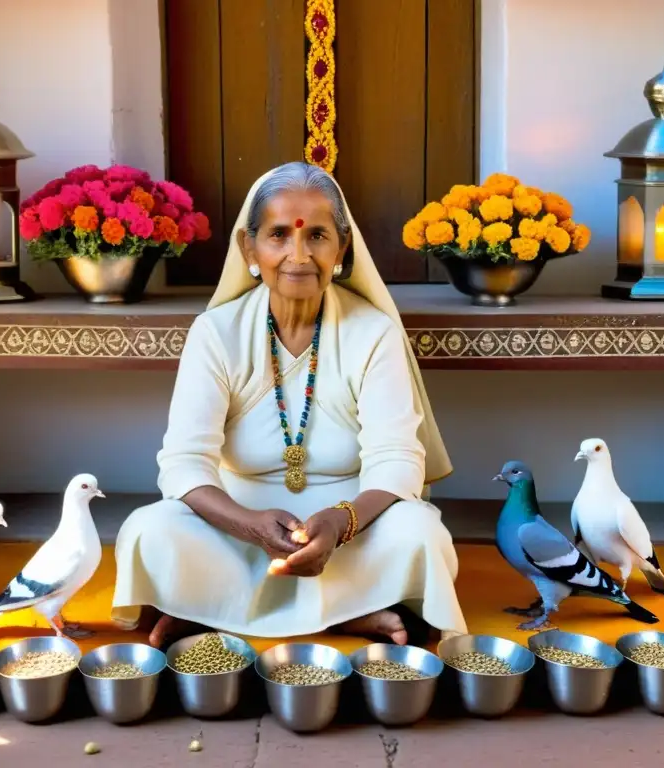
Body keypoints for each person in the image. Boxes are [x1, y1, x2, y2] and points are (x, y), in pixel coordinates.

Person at [111, 161, 468, 648]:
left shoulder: (373, 332)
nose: (298, 255)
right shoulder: (216, 333)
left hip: (349, 520)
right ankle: (351, 614)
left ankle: (213, 612)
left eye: (317, 236)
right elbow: (183, 464)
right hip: (238, 522)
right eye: (278, 235)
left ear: (342, 248)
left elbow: (398, 462)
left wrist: (341, 522)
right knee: (149, 530)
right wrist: (248, 524)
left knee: (422, 534)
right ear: (249, 248)